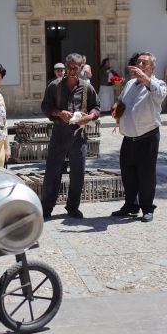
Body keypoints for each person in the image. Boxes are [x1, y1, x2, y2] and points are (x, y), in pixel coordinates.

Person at [41, 53, 101, 219]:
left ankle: (72, 206)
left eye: (76, 67)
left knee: (78, 173)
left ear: (81, 68)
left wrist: (89, 117)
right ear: (65, 67)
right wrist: (59, 113)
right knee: (53, 171)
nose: (72, 70)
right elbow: (45, 107)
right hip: (59, 133)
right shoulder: (54, 86)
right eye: (70, 67)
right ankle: (46, 207)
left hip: (78, 135)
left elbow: (96, 107)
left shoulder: (87, 88)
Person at [111, 52, 166, 223]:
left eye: (145, 63)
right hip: (128, 138)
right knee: (128, 174)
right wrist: (116, 108)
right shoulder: (129, 84)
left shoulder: (157, 84)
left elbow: (160, 96)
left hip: (147, 137)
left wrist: (145, 79)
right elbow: (121, 102)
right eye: (138, 62)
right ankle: (130, 205)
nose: (140, 65)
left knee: (146, 175)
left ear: (152, 67)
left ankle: (147, 208)